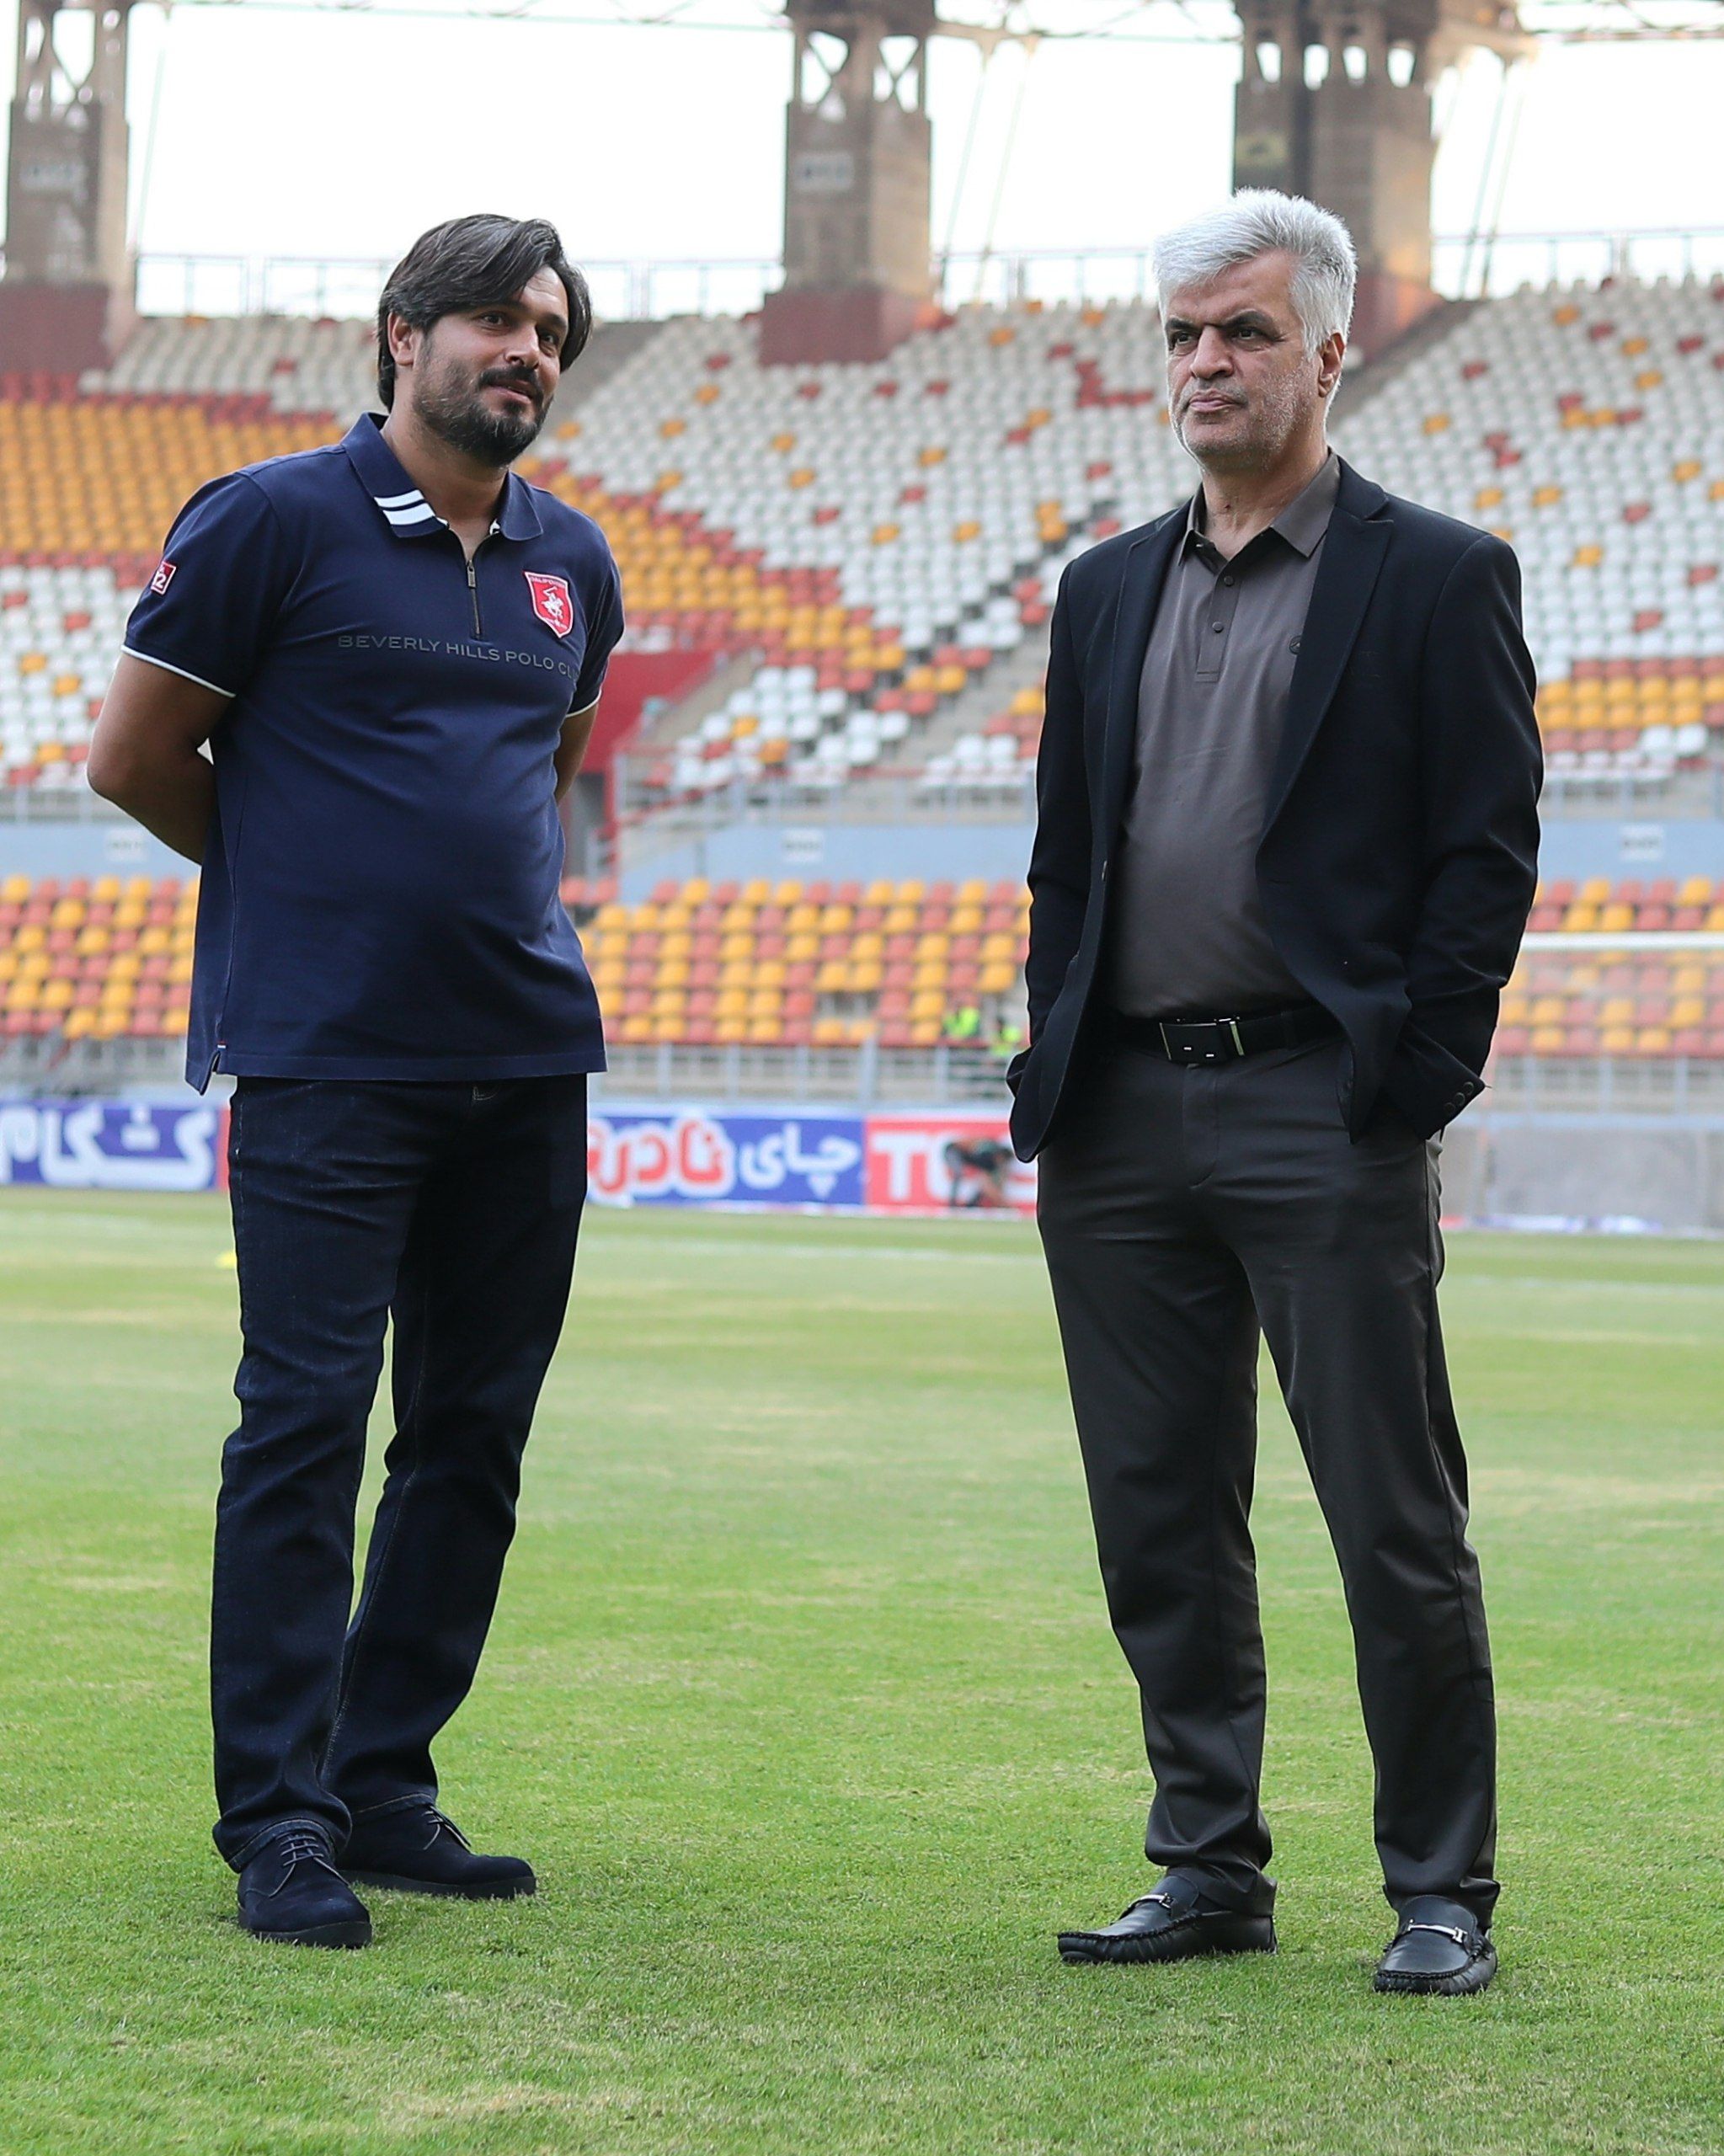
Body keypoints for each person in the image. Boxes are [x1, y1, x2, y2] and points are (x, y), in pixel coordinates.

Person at [1008, 191, 1540, 1997]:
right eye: (1182, 335)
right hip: (1119, 1117)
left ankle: (1440, 1888)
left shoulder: (1436, 574)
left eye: (1242, 331)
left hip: (1323, 1103)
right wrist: (1056, 1052)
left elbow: (1485, 856)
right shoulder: (1103, 588)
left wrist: (1413, 1080)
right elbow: (1065, 863)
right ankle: (1206, 1863)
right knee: (1156, 1516)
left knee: (1391, 1516)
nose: (1206, 363)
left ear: (1329, 349)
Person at [88, 215, 623, 1951]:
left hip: (525, 1058)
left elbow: (540, 772)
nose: (524, 350)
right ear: (403, 334)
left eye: (549, 330)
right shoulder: (268, 519)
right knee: (305, 1426)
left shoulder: (572, 561)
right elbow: (134, 757)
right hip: (327, 1059)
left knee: (471, 1438)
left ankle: (383, 1781)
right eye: (492, 318)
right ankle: (279, 1816)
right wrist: (301, 888)